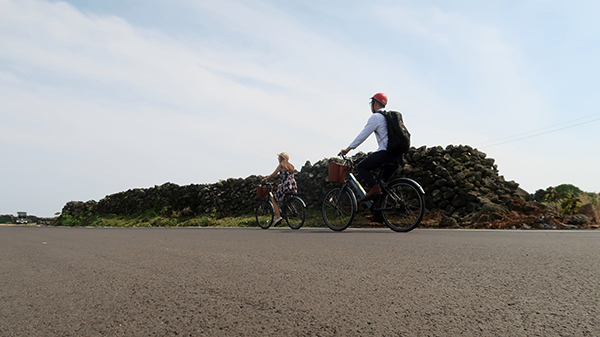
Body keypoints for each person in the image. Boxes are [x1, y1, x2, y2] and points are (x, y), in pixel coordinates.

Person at [339, 92, 402, 202]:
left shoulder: (376, 117)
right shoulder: (390, 118)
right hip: (398, 156)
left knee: (361, 167)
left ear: (375, 103)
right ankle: (378, 214)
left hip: (386, 153)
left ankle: (374, 188)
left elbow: (363, 135)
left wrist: (348, 149)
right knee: (382, 184)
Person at [261, 152, 298, 225]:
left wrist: (265, 179)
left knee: (274, 199)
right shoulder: (291, 166)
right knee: (285, 198)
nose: (278, 159)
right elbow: (288, 177)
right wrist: (281, 184)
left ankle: (278, 217)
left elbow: (273, 174)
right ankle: (286, 211)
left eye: (279, 157)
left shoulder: (281, 165)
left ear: (281, 158)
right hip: (293, 185)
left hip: (285, 185)